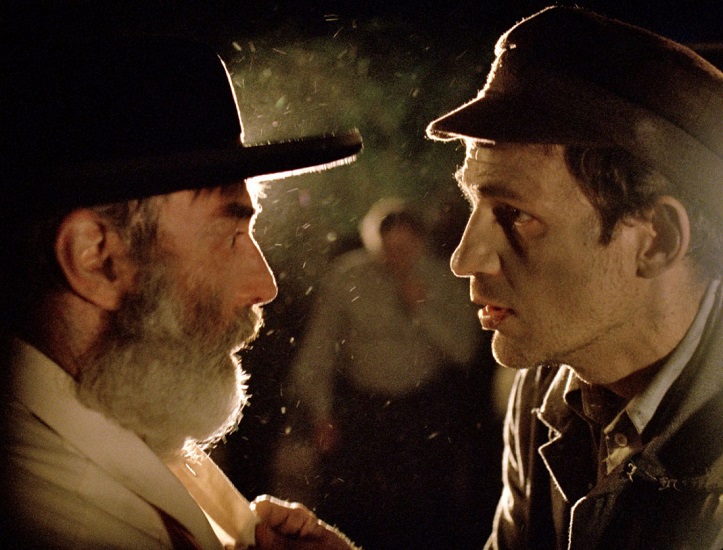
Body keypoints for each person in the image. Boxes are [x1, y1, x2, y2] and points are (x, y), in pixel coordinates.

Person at [0, 34, 363, 549]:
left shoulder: (115, 422)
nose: (265, 286)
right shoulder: (70, 521)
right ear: (97, 257)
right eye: (229, 236)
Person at [425, 5, 722, 550]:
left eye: (515, 215)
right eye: (474, 204)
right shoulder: (549, 390)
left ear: (656, 240)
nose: (464, 259)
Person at [284, 198, 481, 548]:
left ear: (420, 242)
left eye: (405, 248)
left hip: (423, 415)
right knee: (360, 510)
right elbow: (318, 350)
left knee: (423, 514)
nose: (396, 257)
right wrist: (321, 413)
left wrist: (422, 309)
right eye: (388, 249)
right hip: (365, 412)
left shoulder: (442, 278)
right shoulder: (348, 276)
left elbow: (464, 350)